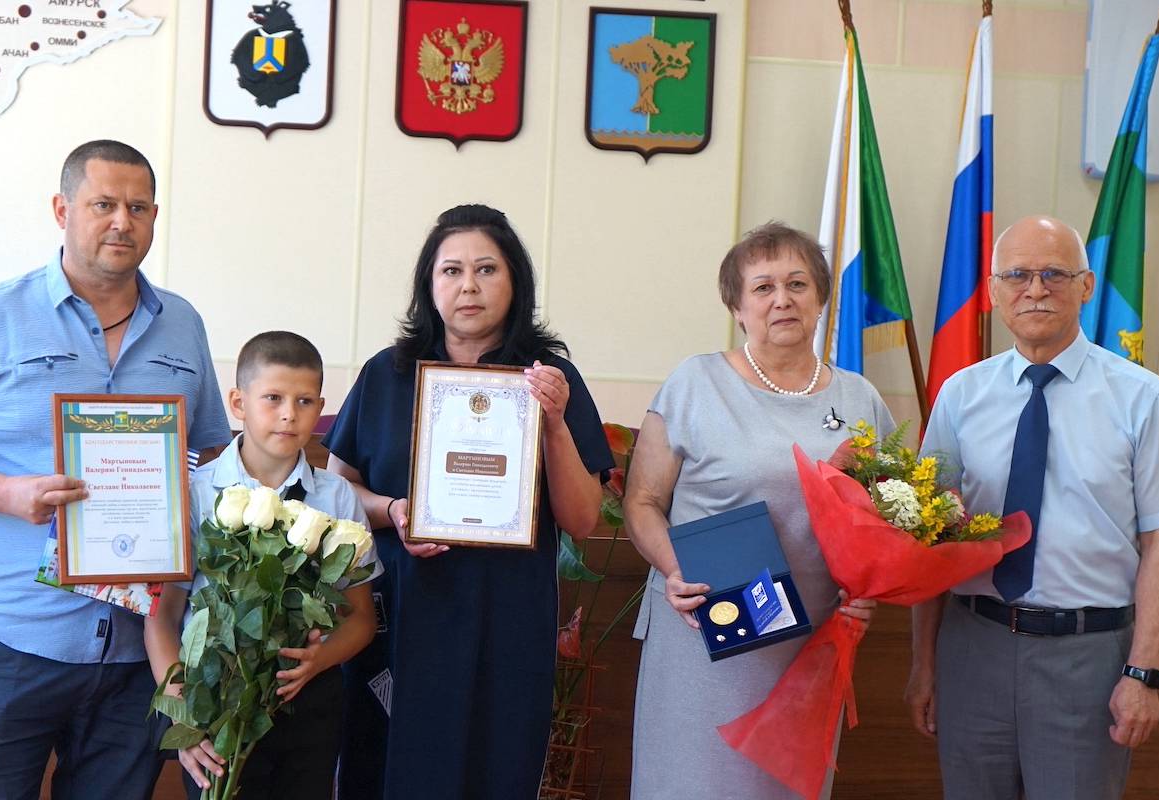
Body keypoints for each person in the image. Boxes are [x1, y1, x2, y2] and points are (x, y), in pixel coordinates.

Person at [0, 139, 231, 798]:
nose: (122, 222)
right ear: (62, 209)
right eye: (103, 204)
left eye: (139, 208)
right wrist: (8, 493)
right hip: (10, 637)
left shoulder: (183, 324)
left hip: (138, 649)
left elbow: (213, 453)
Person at [906, 215, 1159, 799]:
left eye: (1054, 274)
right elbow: (931, 538)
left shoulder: (1143, 398)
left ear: (1086, 286)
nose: (1035, 290)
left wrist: (1143, 673)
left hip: (1086, 657)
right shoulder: (960, 394)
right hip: (974, 646)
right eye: (1017, 275)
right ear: (993, 291)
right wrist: (924, 663)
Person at [323, 204, 611, 799]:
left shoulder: (549, 379)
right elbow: (337, 490)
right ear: (429, 285)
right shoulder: (386, 374)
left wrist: (554, 423)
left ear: (515, 281)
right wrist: (393, 511)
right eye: (451, 270)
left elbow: (583, 519)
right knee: (388, 771)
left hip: (507, 617)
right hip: (400, 611)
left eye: (487, 269)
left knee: (494, 770)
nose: (469, 286)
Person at [625, 221, 890, 799]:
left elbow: (886, 516)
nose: (782, 299)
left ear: (820, 297)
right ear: (737, 307)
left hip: (814, 641)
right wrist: (675, 568)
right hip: (706, 629)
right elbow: (641, 503)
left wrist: (869, 588)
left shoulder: (860, 398)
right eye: (763, 287)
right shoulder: (694, 383)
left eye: (797, 284)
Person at [145, 330, 381, 800]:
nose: (289, 413)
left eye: (305, 401)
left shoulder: (337, 497)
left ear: (320, 408)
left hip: (307, 701)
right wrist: (184, 716)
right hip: (216, 700)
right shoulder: (194, 494)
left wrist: (319, 660)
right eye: (273, 398)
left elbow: (361, 618)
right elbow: (162, 618)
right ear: (239, 403)